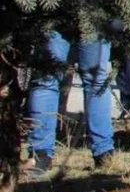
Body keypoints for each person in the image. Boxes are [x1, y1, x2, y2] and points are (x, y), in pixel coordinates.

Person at [26, 24, 115, 179]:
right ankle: (104, 153)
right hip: (89, 12)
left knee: (46, 79)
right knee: (95, 81)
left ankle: (40, 154)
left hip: (60, 13)